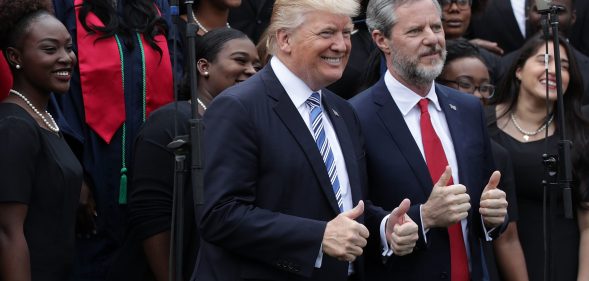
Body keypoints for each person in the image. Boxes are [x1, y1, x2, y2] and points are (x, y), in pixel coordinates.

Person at [193, 0, 420, 280]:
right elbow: (220, 216)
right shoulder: (238, 107)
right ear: (285, 39)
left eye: (346, 33)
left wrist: (385, 227)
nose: (341, 46)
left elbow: (344, 206)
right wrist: (318, 236)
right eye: (327, 33)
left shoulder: (343, 111)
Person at [351, 0, 509, 280]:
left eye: (436, 27)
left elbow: (484, 198)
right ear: (381, 40)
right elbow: (354, 210)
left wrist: (492, 215)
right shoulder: (355, 116)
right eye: (415, 31)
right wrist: (422, 217)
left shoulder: (469, 109)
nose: (432, 39)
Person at [107, 28, 260, 281]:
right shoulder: (171, 122)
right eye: (240, 60)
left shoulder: (242, 126)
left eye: (257, 65)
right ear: (203, 66)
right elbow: (151, 215)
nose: (252, 71)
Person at [51, 0, 174, 279]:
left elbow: (175, 73)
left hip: (150, 166)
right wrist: (72, 171)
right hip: (89, 158)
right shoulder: (64, 5)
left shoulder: (156, 6)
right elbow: (52, 93)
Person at [487, 32, 589, 281]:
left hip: (560, 261)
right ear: (519, 70)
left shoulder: (578, 132)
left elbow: (588, 224)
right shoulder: (480, 121)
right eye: (544, 60)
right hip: (490, 260)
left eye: (563, 66)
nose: (554, 71)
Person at [0, 0, 83, 280]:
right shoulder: (14, 126)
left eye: (69, 48)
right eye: (50, 49)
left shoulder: (45, 119)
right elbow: (8, 233)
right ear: (15, 57)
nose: (66, 58)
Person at [437, 38, 529, 281]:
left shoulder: (496, 154)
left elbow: (507, 238)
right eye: (465, 84)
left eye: (485, 88)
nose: (476, 96)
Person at [499, 0, 589, 105]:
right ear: (528, 14)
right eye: (541, 10)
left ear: (573, 17)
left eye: (558, 11)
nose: (549, 18)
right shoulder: (504, 65)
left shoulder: (586, 69)